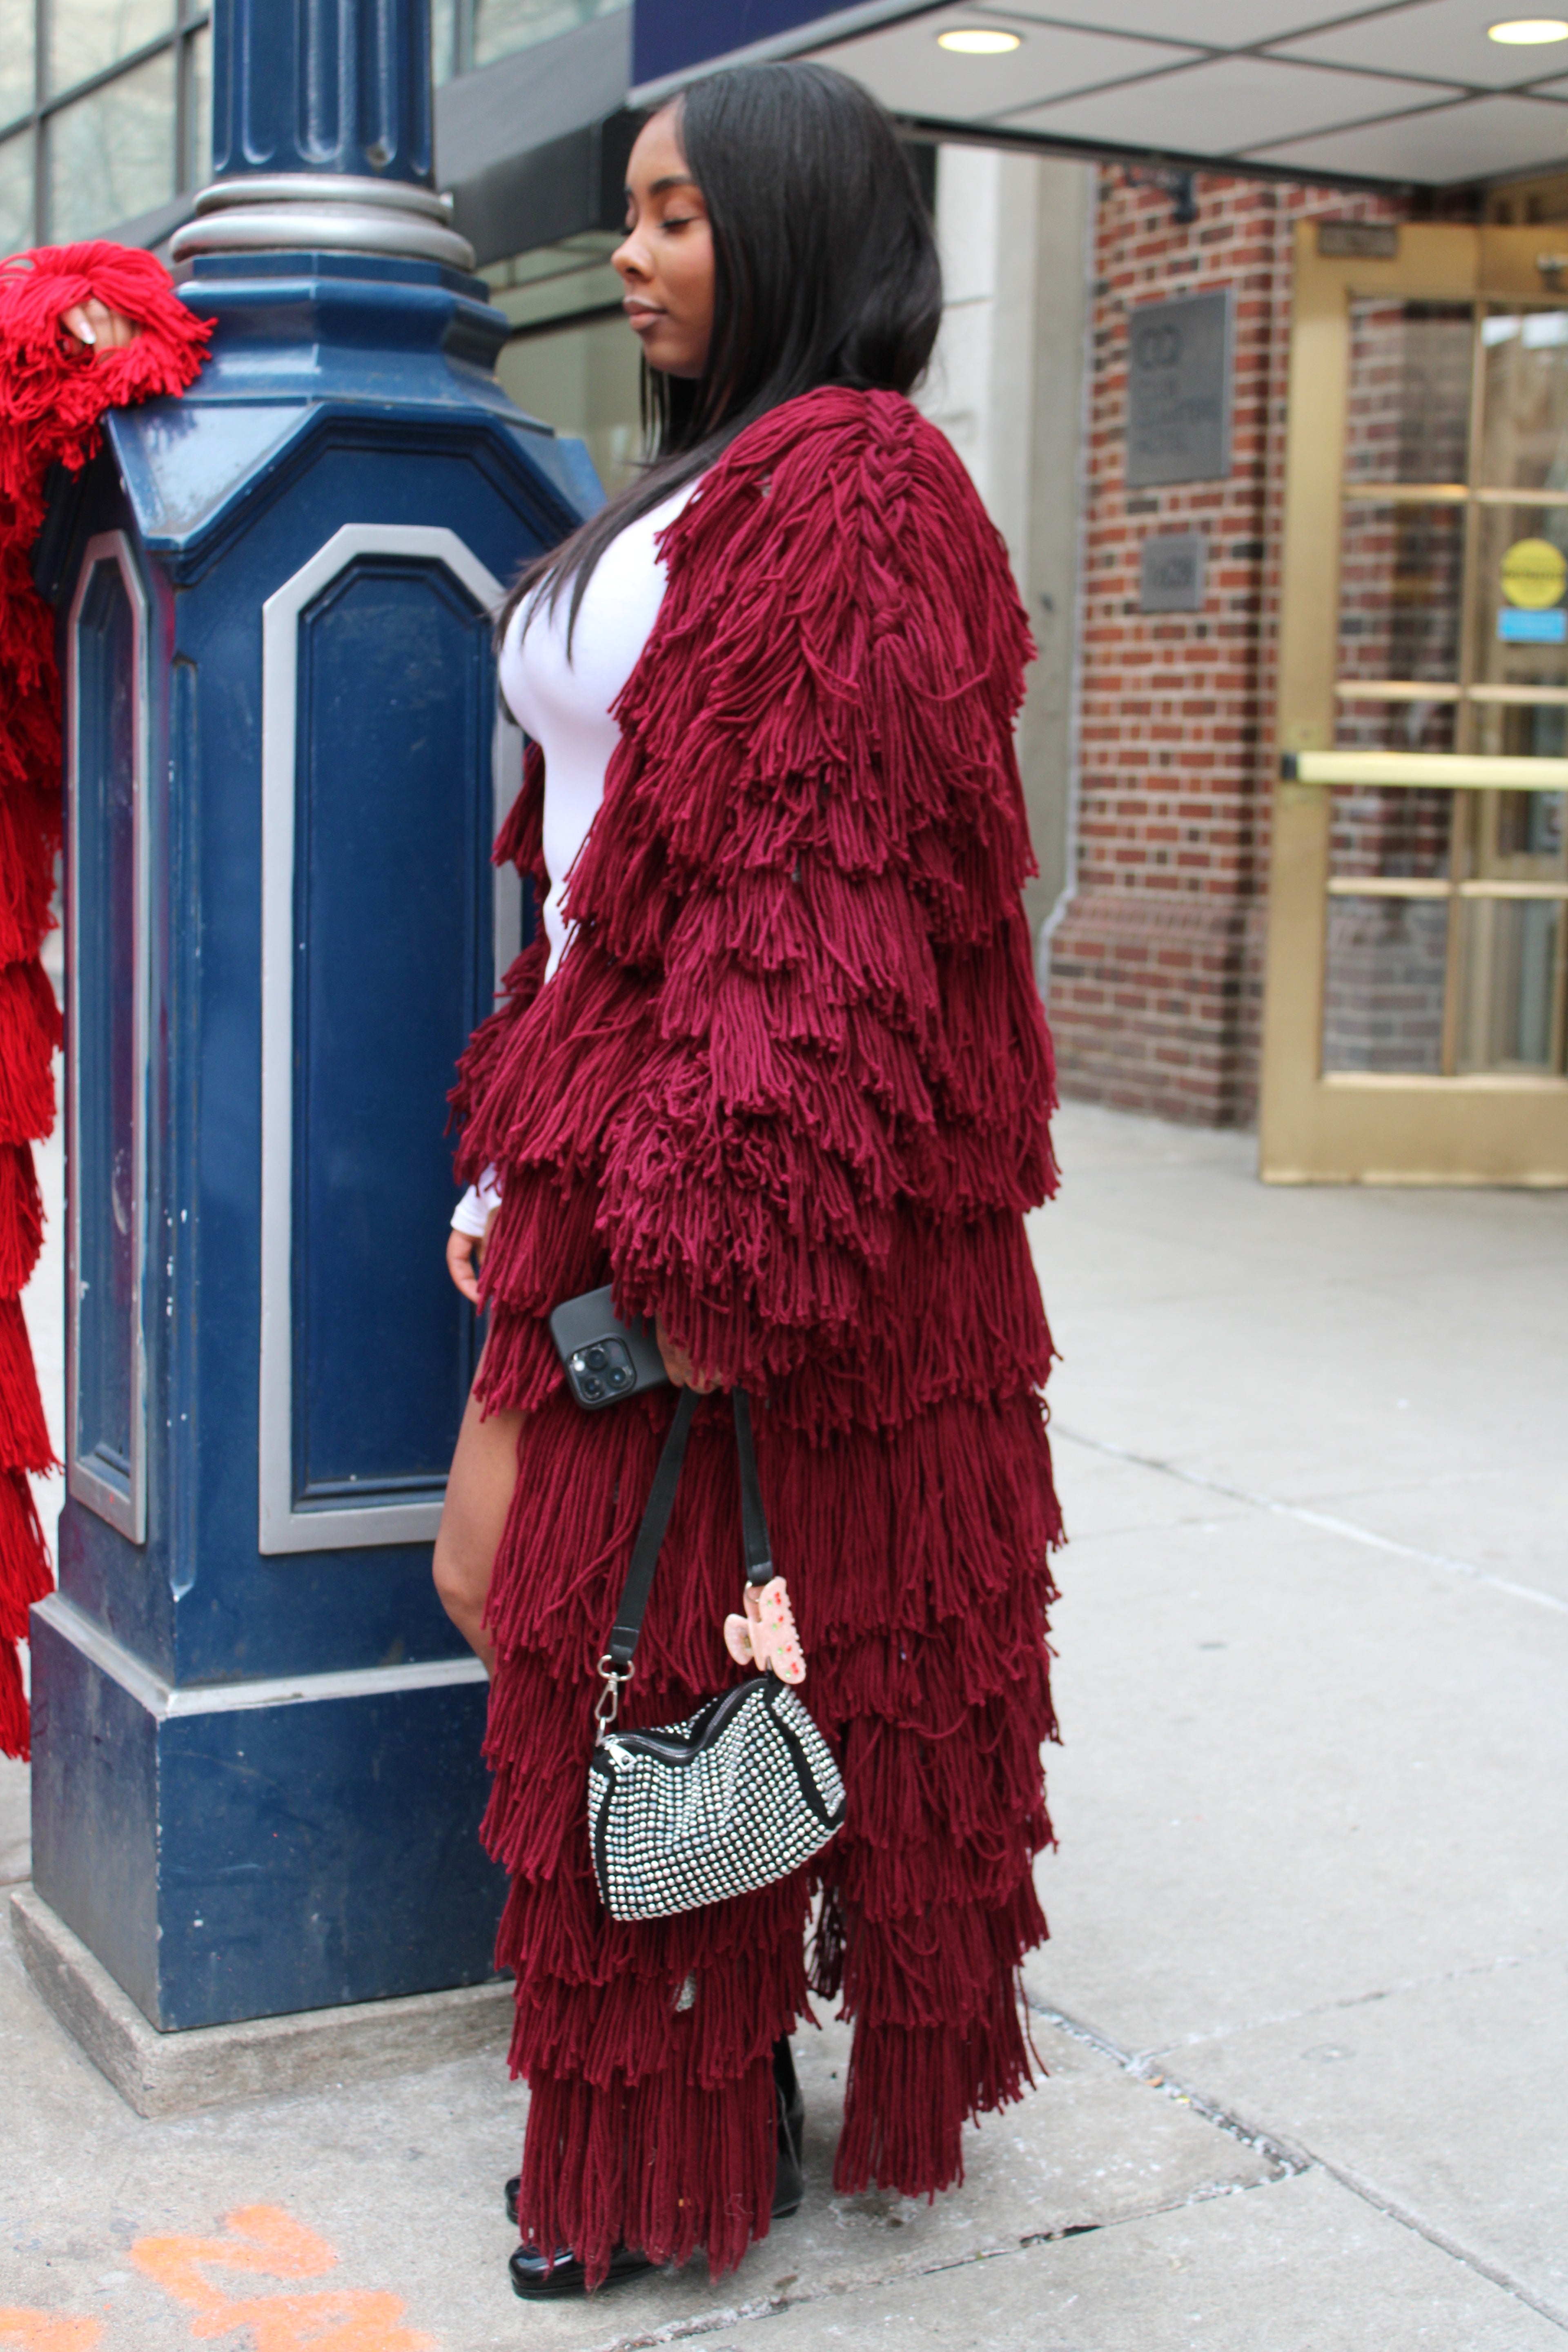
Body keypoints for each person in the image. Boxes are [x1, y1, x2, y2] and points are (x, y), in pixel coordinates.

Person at [433, 58, 1064, 2303]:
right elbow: (610, 878)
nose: (632, 247)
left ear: (795, 224)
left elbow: (827, 900)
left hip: (741, 1206)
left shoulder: (864, 486)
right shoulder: (712, 482)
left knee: (658, 1660)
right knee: (560, 1617)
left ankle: (658, 2159)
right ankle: (698, 2089)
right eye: (630, 209)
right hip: (612, 1150)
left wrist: (711, 1247)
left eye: (678, 210)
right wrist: (522, 1163)